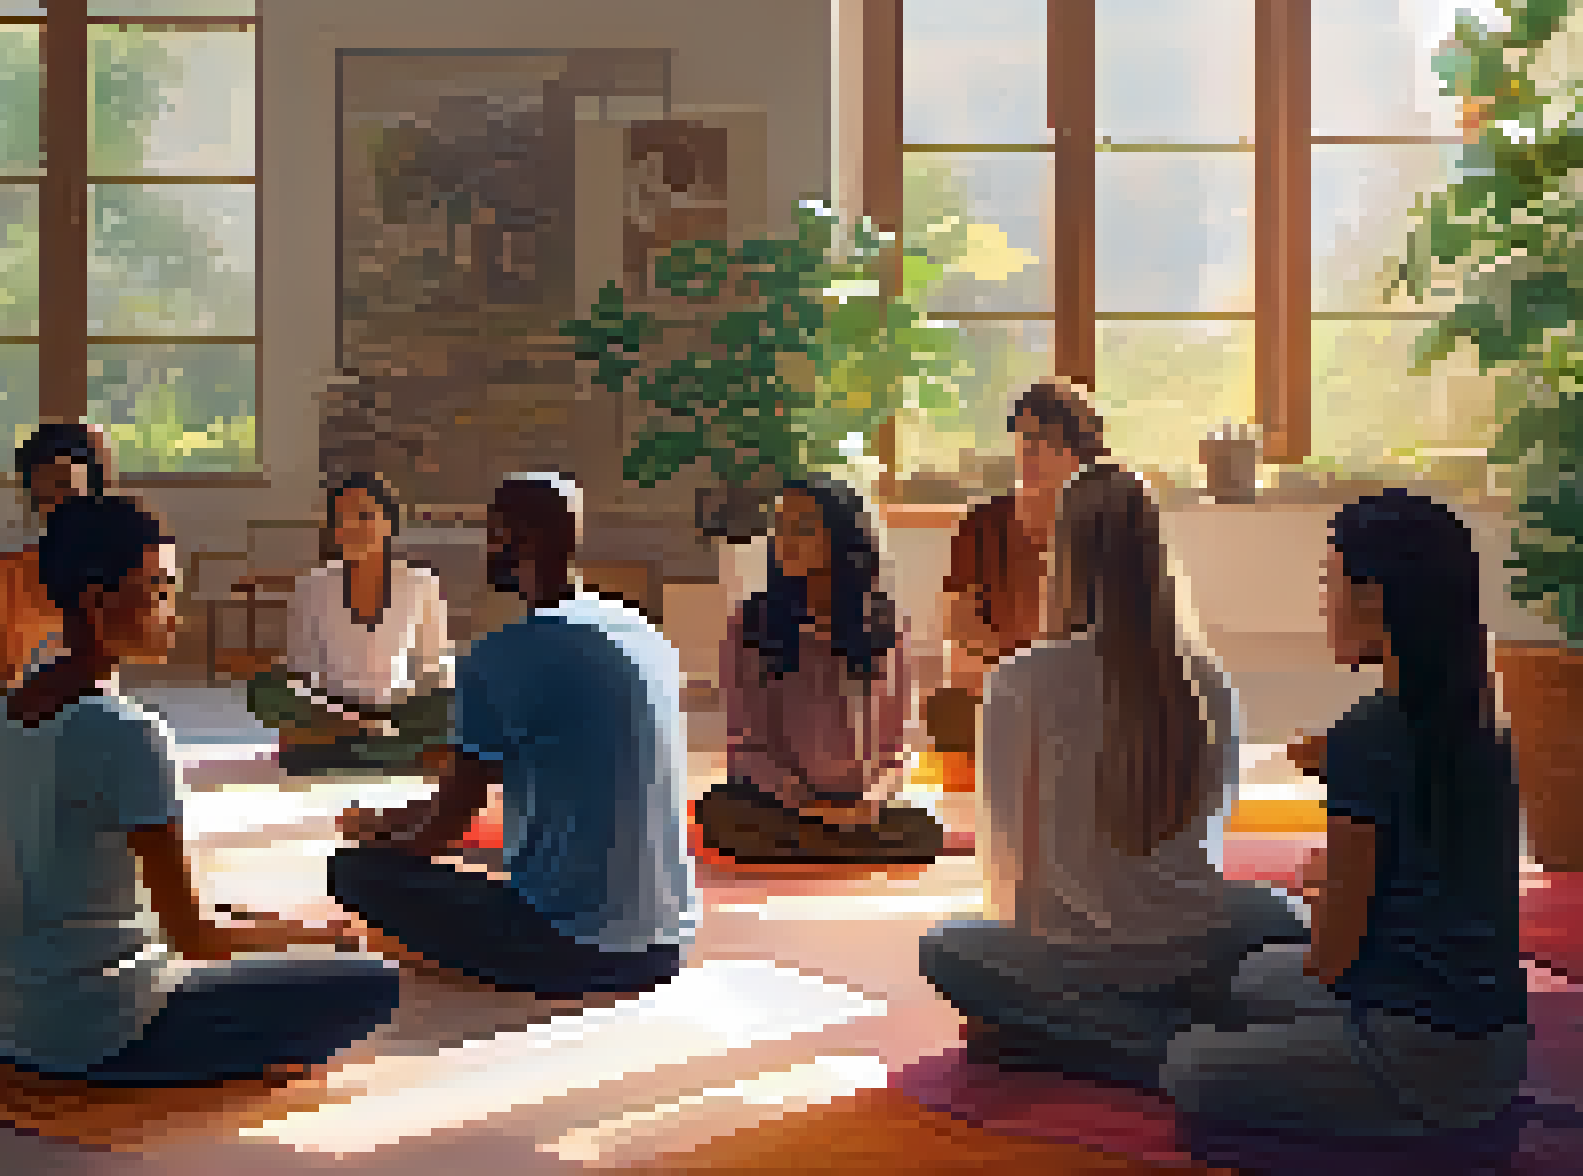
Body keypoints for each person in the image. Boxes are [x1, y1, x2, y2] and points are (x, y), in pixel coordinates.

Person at [0, 494, 400, 1085]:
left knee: (266, 933)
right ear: (97, 600)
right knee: (372, 980)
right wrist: (316, 934)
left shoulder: (10, 708)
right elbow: (193, 937)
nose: (175, 613)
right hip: (96, 1031)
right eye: (160, 591)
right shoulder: (129, 731)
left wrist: (268, 929)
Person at [918, 465, 1310, 1089]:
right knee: (1284, 919)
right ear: (1157, 554)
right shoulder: (1206, 682)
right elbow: (1209, 837)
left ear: (1064, 558)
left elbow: (1005, 855)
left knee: (947, 948)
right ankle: (1186, 1028)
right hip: (1197, 943)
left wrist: (1025, 963)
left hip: (1070, 957)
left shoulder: (1021, 679)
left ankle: (1122, 1041)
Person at [1160, 491, 1528, 1136]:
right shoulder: (1478, 721)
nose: (1323, 600)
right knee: (1251, 976)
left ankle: (1400, 1109)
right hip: (1496, 1043)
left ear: (1373, 596)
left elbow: (1330, 960)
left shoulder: (1367, 735)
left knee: (1186, 1063)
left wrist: (1324, 882)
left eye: (1329, 579)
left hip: (1411, 1058)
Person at [328, 473, 700, 998]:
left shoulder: (498, 656)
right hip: (668, 944)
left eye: (491, 531)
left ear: (512, 540)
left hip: (566, 948)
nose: (486, 546)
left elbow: (447, 827)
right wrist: (388, 821)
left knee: (352, 873)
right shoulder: (647, 635)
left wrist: (378, 844)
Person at [693, 475, 944, 863]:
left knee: (925, 824)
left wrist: (870, 802)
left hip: (863, 804)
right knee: (718, 812)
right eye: (780, 527)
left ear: (841, 538)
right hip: (781, 804)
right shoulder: (751, 623)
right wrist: (805, 804)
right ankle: (835, 842)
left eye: (802, 528)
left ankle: (823, 842)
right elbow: (745, 743)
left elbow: (899, 745)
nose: (785, 540)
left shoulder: (885, 624)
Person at [927, 383, 1109, 762]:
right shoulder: (981, 524)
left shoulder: (1105, 528)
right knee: (952, 698)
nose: (1029, 450)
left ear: (1079, 452)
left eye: (1045, 439)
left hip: (1078, 695)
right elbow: (958, 625)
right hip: (999, 692)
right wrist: (1022, 676)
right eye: (1023, 436)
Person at [246, 472, 455, 778]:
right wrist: (344, 718)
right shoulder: (312, 586)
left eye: (363, 515)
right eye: (341, 519)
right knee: (265, 688)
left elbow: (434, 667)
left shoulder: (421, 583)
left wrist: (422, 709)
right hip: (334, 714)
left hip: (398, 712)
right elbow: (302, 671)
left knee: (458, 696)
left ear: (389, 523)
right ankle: (379, 747)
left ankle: (368, 748)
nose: (351, 527)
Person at [0, 423, 114, 819]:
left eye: (67, 487)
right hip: (25, 736)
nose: (57, 504)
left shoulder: (120, 571)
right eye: (45, 494)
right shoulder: (6, 573)